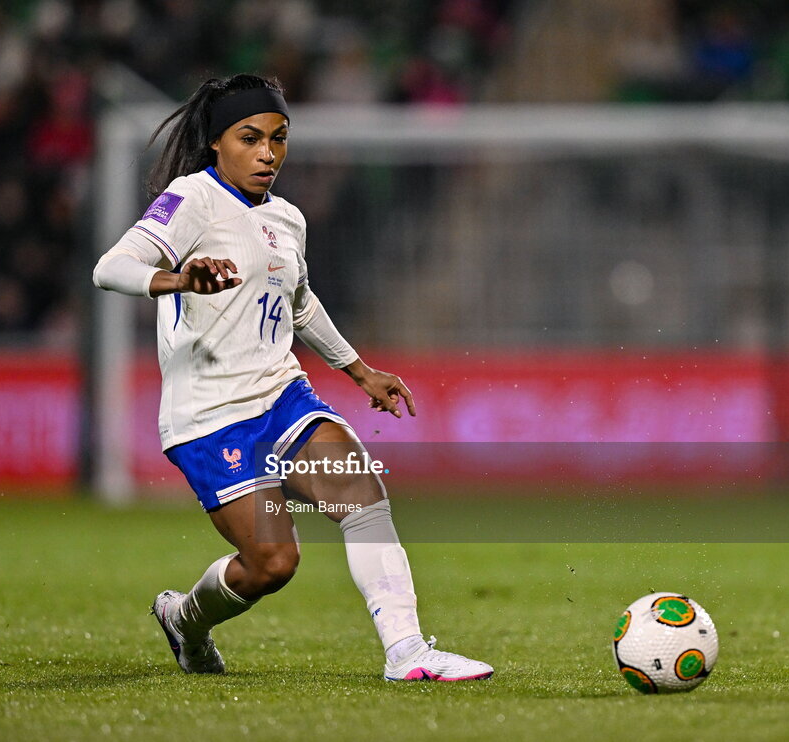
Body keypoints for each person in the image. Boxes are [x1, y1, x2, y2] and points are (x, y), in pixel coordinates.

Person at [92, 74, 493, 682]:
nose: (268, 154)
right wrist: (178, 278)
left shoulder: (288, 218)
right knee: (273, 562)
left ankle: (407, 650)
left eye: (278, 139)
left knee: (362, 495)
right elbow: (111, 267)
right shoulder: (189, 198)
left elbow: (299, 301)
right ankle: (186, 621)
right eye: (250, 138)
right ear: (216, 143)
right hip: (208, 416)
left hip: (283, 397)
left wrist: (359, 371)